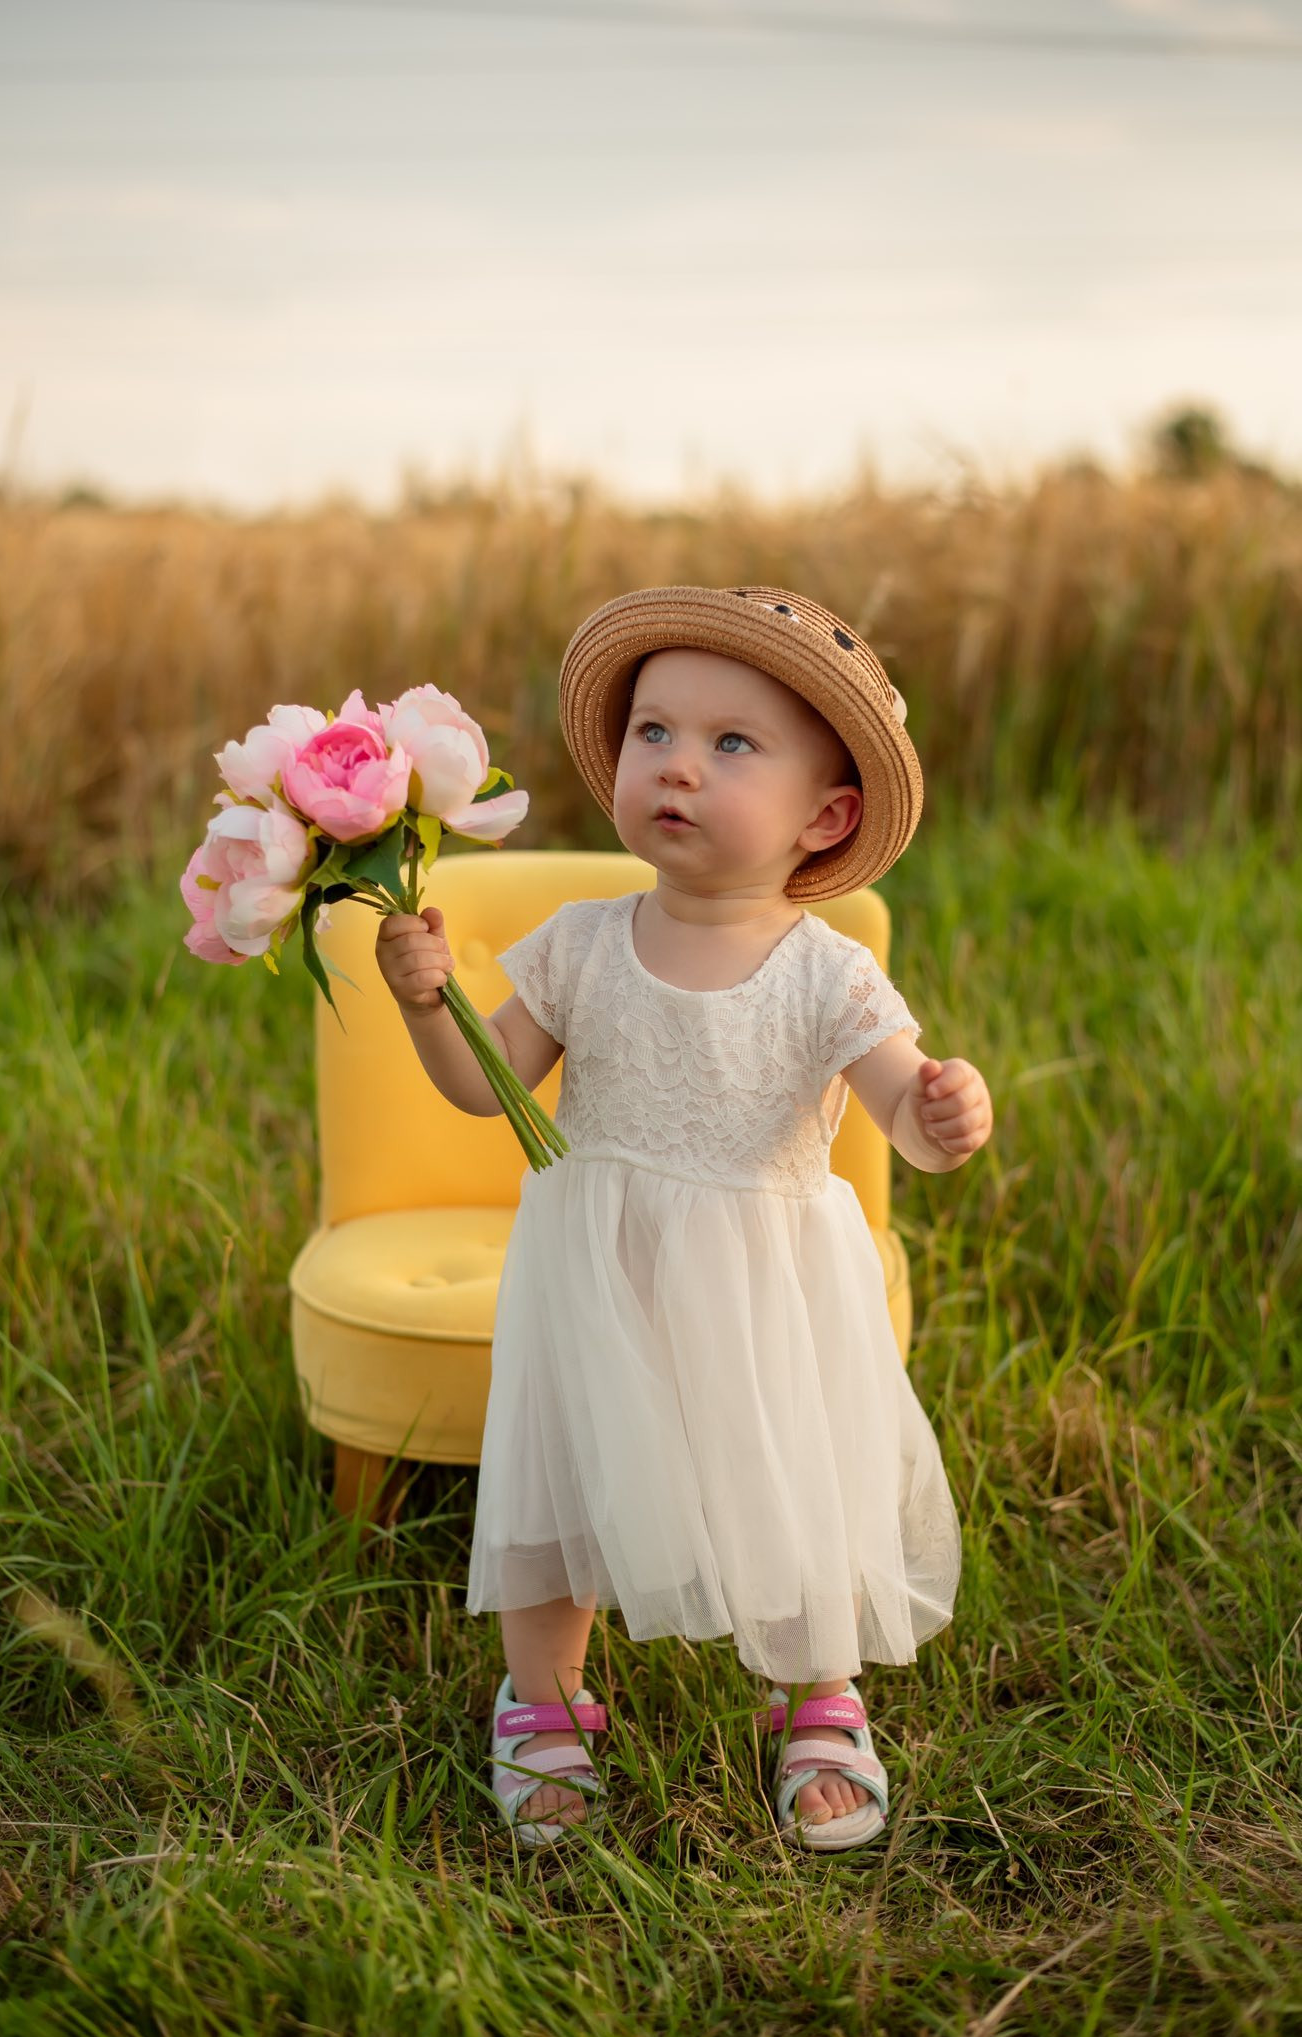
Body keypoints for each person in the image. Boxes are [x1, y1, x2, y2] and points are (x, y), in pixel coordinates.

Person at [375, 584, 993, 1852]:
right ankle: (541, 1703)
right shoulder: (582, 944)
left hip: (762, 1288)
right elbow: (478, 1090)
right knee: (559, 1495)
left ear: (824, 814)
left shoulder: (828, 970)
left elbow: (904, 1119)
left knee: (788, 1490)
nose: (678, 767)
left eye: (731, 745)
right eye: (655, 732)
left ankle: (820, 1695)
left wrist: (944, 1110)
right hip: (596, 1275)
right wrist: (427, 1003)